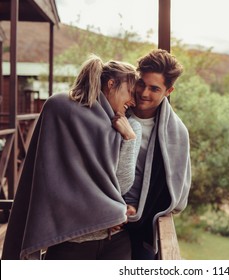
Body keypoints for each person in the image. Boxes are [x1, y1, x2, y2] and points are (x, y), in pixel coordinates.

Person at [1, 54, 141, 260]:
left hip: (115, 241)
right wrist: (106, 213)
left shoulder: (126, 127)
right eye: (130, 92)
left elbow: (120, 186)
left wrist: (129, 138)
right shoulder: (59, 107)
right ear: (111, 84)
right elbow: (50, 180)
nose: (134, 101)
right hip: (72, 243)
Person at [123, 49, 191, 259]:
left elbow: (178, 191)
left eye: (154, 88)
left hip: (142, 220)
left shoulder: (177, 132)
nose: (144, 93)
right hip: (104, 211)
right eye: (141, 83)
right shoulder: (113, 113)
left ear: (168, 91)